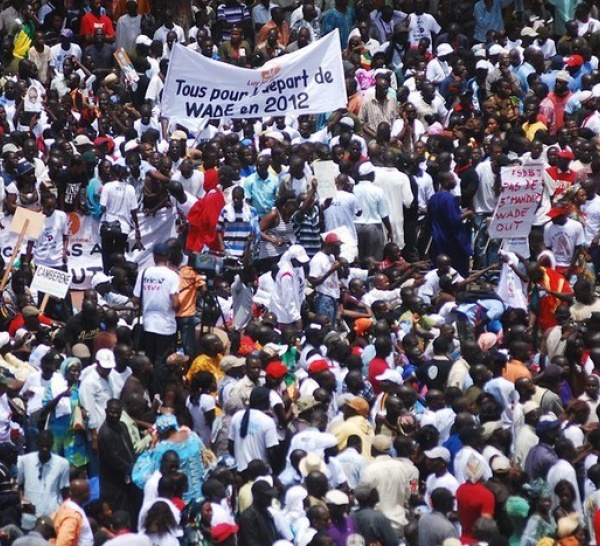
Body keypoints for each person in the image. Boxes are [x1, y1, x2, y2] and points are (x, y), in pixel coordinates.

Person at [133, 242, 181, 393]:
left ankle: (147, 389)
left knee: (149, 359)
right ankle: (157, 393)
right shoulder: (173, 276)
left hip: (148, 324)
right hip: (165, 326)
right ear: (168, 257)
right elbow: (175, 304)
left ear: (154, 257)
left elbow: (135, 298)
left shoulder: (144, 272)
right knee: (162, 362)